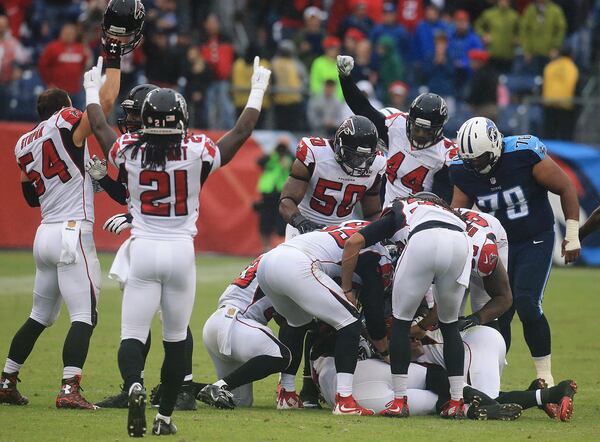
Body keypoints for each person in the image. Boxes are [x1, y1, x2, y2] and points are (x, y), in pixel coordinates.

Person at [84, 56, 270, 435]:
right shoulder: (196, 149)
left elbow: (100, 125)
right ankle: (164, 418)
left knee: (132, 334)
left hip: (144, 247)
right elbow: (239, 133)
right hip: (181, 251)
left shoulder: (129, 150)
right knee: (175, 338)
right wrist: (257, 90)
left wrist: (91, 88)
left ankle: (134, 385)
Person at [0, 35, 122, 409]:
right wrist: (113, 59)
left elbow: (31, 196)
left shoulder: (23, 143)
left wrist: (84, 179)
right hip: (72, 233)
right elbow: (101, 106)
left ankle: (7, 380)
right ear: (65, 109)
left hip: (45, 234)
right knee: (85, 315)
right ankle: (70, 388)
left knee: (39, 315)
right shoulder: (67, 120)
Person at [449, 117, 581, 396]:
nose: (476, 165)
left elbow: (565, 187)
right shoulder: (463, 170)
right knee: (501, 311)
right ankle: (491, 381)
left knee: (527, 302)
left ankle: (544, 375)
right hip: (499, 247)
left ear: (496, 145)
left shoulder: (523, 153)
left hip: (536, 237)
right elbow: (457, 214)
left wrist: (572, 233)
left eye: (481, 158)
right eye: (470, 160)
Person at [341, 197, 472, 418]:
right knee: (449, 326)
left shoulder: (402, 208)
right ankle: (457, 401)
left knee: (401, 321)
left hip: (424, 239)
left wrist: (346, 288)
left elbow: (355, 241)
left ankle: (400, 401)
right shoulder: (448, 214)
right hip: (461, 242)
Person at [256, 221, 392, 415]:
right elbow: (373, 311)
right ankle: (344, 400)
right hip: (299, 264)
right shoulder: (378, 253)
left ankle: (287, 393)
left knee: (296, 323)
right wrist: (385, 352)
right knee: (349, 322)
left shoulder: (350, 226)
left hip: (268, 261)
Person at [337, 55, 457, 203]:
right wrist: (345, 78)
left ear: (439, 129)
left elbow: (442, 200)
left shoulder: (444, 155)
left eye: (427, 131)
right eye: (416, 128)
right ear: (409, 121)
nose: (419, 134)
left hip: (420, 218)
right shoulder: (395, 125)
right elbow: (363, 109)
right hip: (388, 212)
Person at [198, 255, 290, 408]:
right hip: (237, 325)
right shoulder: (288, 262)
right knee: (282, 355)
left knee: (239, 401)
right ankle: (220, 386)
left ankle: (181, 389)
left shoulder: (272, 257)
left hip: (215, 323)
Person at [278, 115, 386, 240]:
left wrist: (377, 235)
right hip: (304, 225)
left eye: (364, 157)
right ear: (338, 145)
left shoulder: (376, 165)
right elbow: (286, 201)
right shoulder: (316, 154)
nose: (358, 162)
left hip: (341, 233)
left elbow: (372, 213)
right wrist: (301, 222)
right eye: (353, 155)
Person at [38, 22, 90, 110]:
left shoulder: (81, 48)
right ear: (61, 33)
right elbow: (42, 66)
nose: (68, 36)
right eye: (66, 33)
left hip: (75, 90)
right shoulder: (52, 47)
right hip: (57, 91)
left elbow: (84, 65)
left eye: (71, 34)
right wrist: (49, 82)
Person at [255, 139, 293, 252]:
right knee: (265, 221)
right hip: (268, 193)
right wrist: (273, 153)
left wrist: (287, 157)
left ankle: (280, 248)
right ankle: (265, 248)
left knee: (281, 222)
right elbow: (260, 162)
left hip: (282, 194)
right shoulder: (271, 157)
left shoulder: (290, 158)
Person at [542, 46, 579, 140]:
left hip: (549, 103)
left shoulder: (550, 66)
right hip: (565, 105)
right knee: (565, 135)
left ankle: (548, 153)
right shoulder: (572, 67)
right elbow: (574, 85)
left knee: (549, 133)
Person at [519, 0, 567, 74]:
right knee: (535, 80)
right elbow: (524, 30)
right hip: (533, 54)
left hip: (549, 54)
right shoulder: (530, 10)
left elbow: (560, 30)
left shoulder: (555, 10)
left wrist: (555, 47)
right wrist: (527, 49)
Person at [474, 0, 520, 73]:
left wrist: (517, 38)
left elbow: (521, 30)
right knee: (492, 78)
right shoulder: (489, 14)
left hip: (508, 54)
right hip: (492, 53)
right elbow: (478, 26)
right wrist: (483, 35)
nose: (504, 2)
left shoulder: (514, 15)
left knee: (506, 79)